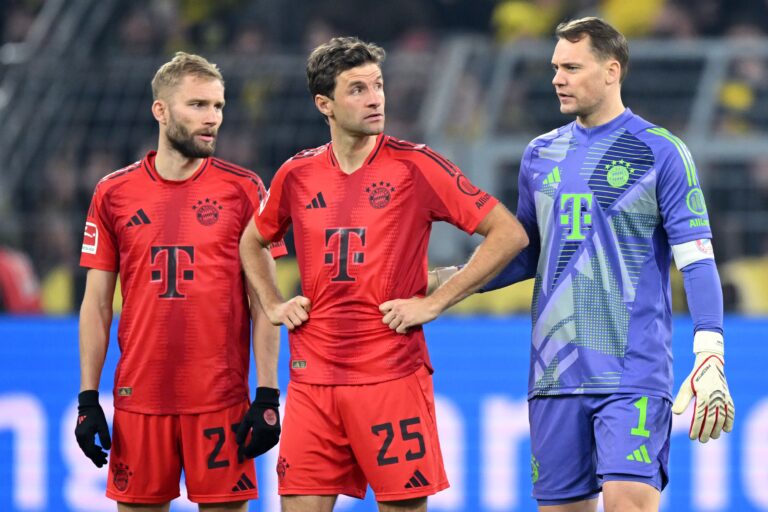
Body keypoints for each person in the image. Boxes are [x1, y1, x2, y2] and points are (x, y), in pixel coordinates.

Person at [432, 16, 735, 512]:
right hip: (554, 374)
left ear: (612, 70)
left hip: (632, 371)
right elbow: (527, 253)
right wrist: (445, 281)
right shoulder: (539, 155)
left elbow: (697, 259)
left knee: (628, 504)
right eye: (555, 67)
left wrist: (710, 351)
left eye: (572, 67)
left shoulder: (661, 152)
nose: (557, 78)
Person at [238, 37, 528, 512]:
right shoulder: (297, 174)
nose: (375, 98)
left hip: (390, 376)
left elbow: (508, 233)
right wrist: (271, 302)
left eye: (377, 85)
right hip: (312, 381)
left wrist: (435, 302)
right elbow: (253, 239)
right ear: (324, 104)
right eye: (357, 89)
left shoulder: (415, 166)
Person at [75, 52, 286, 512]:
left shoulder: (245, 190)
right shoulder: (113, 193)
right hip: (140, 400)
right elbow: (96, 306)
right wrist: (88, 398)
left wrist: (267, 394)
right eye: (198, 105)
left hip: (221, 402)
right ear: (161, 110)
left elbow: (266, 302)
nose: (212, 119)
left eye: (219, 106)